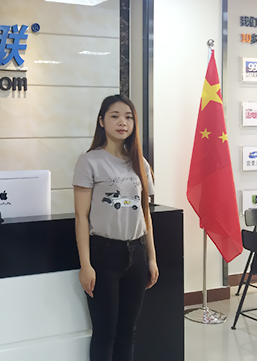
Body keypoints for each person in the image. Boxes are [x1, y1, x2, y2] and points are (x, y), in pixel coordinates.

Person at [72, 94, 157, 361]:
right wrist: (86, 265)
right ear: (102, 121)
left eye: (128, 117)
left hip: (137, 252)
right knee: (105, 332)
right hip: (104, 254)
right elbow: (81, 216)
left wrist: (152, 259)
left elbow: (145, 213)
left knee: (127, 331)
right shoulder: (89, 161)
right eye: (115, 116)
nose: (123, 122)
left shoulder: (140, 162)